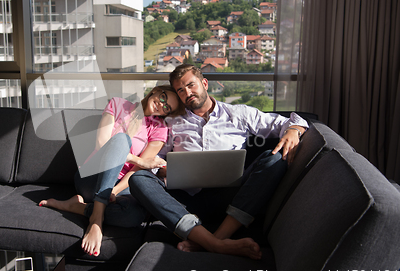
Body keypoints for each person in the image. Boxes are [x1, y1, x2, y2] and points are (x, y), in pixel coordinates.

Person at [129, 64, 309, 260]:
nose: (187, 93)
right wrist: (164, 169)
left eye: (191, 85)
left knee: (274, 159)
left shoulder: (238, 114)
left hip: (230, 198)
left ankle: (218, 237)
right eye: (181, 90)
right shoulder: (172, 122)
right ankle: (214, 244)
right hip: (186, 201)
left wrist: (294, 130)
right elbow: (157, 160)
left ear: (204, 83)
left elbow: (288, 122)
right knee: (139, 179)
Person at [39, 85, 186, 257]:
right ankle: (96, 219)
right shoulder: (118, 105)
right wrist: (138, 159)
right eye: (163, 98)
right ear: (155, 91)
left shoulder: (159, 129)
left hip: (122, 186)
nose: (162, 105)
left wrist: (114, 191)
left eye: (167, 108)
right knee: (121, 140)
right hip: (92, 176)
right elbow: (102, 145)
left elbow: (136, 172)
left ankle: (79, 208)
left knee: (134, 216)